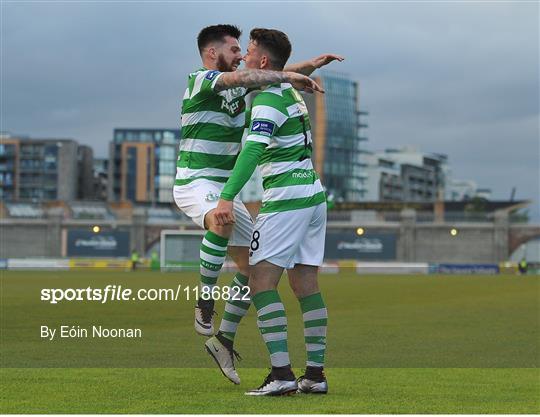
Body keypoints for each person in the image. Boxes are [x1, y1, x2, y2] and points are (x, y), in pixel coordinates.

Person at [173, 24, 342, 385]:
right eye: (233, 49)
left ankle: (226, 341)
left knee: (254, 272)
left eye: (242, 49)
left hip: (256, 192)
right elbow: (260, 73)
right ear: (210, 53)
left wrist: (305, 66)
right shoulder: (200, 80)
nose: (239, 55)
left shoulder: (259, 87)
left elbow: (264, 71)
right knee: (225, 224)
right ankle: (205, 303)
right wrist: (291, 73)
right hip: (196, 183)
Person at [214, 28, 331, 395]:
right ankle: (314, 375)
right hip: (313, 193)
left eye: (248, 52)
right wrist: (309, 66)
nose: (243, 59)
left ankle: (281, 374)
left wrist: (225, 197)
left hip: (286, 199)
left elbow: (252, 151)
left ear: (263, 61)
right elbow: (282, 73)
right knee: (305, 284)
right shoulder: (289, 90)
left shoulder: (265, 100)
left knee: (260, 281)